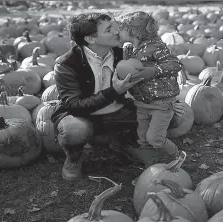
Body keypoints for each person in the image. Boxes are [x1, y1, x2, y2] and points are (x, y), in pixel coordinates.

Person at [50, 12, 185, 181]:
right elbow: (73, 104)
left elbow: (154, 76)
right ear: (91, 39)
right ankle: (74, 158)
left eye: (115, 26)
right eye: (109, 29)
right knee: (74, 130)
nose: (116, 31)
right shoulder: (66, 63)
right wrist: (114, 91)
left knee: (173, 117)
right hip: (85, 116)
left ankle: (121, 142)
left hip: (120, 110)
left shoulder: (126, 53)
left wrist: (170, 101)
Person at [118, 11, 183, 168]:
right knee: (143, 140)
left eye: (121, 28)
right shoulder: (130, 49)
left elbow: (175, 64)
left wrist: (153, 70)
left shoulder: (156, 46)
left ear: (133, 31)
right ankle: (151, 168)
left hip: (161, 103)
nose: (118, 31)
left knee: (155, 138)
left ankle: (177, 156)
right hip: (142, 102)